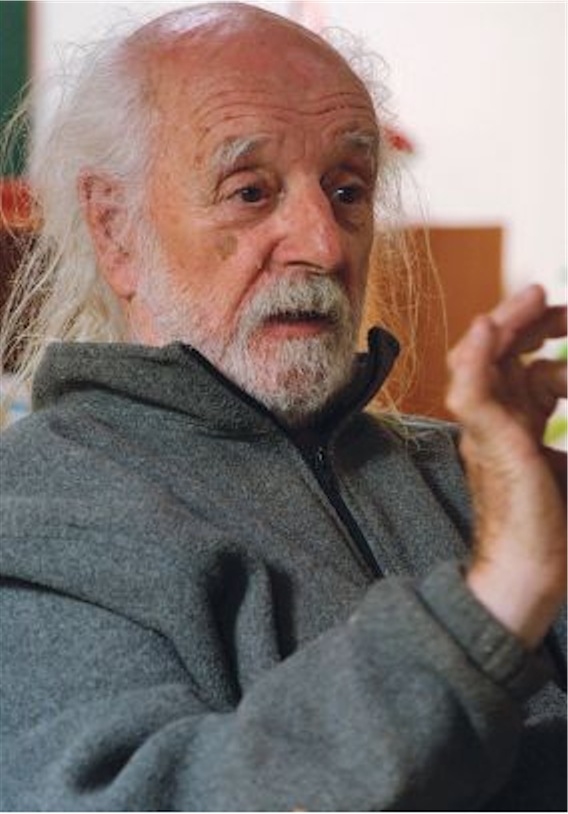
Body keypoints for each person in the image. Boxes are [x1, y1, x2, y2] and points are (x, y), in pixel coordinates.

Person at [0, 3, 565, 810]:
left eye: (347, 190)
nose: (325, 245)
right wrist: (494, 603)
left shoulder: (469, 474)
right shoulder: (36, 511)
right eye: (251, 191)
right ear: (115, 228)